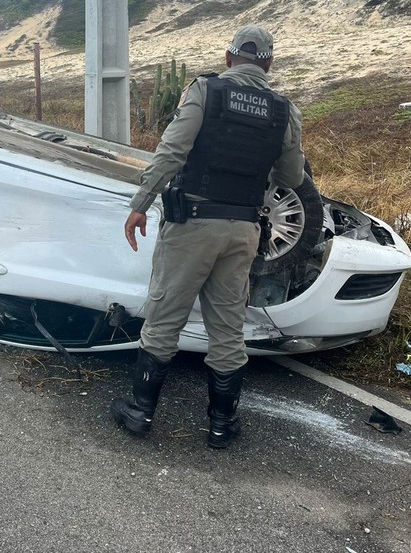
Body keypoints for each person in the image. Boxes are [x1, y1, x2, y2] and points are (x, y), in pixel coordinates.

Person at [111, 25, 305, 449]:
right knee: (228, 328)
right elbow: (291, 176)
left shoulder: (205, 91)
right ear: (268, 63)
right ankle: (222, 425)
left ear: (229, 56)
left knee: (164, 319)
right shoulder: (284, 110)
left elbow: (172, 152)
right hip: (244, 230)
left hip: (192, 225)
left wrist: (141, 203)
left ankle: (140, 413)